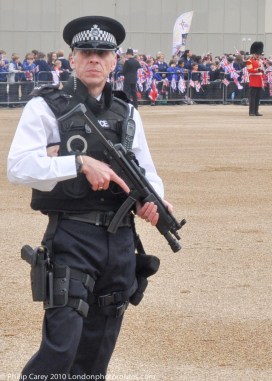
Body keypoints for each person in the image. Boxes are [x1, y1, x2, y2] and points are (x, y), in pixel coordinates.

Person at [7, 15, 173, 377]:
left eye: (102, 53)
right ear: (72, 59)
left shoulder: (127, 111)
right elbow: (18, 167)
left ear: (115, 60)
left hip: (120, 241)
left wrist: (156, 200)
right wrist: (78, 163)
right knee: (61, 349)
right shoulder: (46, 106)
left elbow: (146, 169)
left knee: (96, 354)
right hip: (72, 236)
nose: (94, 59)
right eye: (86, 52)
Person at [246, 41, 265, 116]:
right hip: (253, 80)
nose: (258, 55)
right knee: (252, 97)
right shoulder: (249, 61)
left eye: (259, 54)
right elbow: (250, 70)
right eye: (257, 54)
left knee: (257, 97)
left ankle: (256, 111)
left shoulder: (259, 61)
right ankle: (251, 112)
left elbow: (262, 71)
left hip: (259, 80)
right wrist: (258, 69)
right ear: (253, 54)